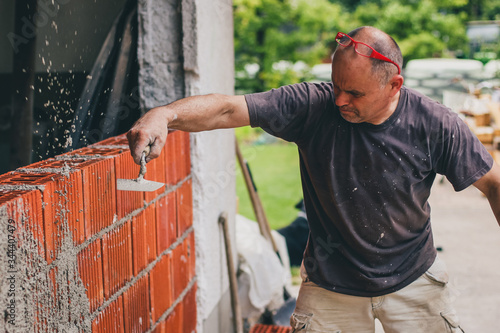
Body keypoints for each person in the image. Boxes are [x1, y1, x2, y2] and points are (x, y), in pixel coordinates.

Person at [127, 26, 500, 332]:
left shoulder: (436, 124)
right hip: (330, 286)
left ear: (394, 85)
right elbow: (227, 108)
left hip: (414, 279)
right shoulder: (312, 105)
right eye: (337, 86)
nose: (339, 100)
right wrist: (166, 115)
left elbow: (495, 184)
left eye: (354, 93)